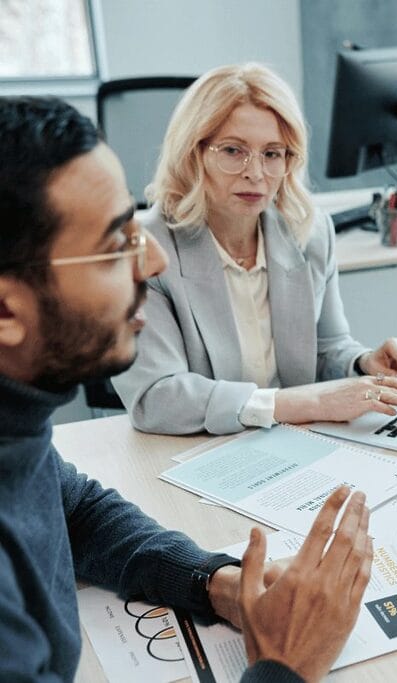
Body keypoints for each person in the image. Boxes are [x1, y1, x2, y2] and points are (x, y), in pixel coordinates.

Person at [0, 95, 372, 681]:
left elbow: (73, 511)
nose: (150, 260)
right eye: (112, 243)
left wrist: (214, 583)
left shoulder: (14, 429)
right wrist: (286, 666)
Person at [112, 63, 397, 435]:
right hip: (199, 451)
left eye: (272, 153)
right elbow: (156, 398)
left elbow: (327, 346)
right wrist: (304, 403)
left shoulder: (310, 234)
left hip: (298, 442)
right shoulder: (149, 249)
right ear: (193, 154)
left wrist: (362, 363)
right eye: (234, 151)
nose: (256, 173)